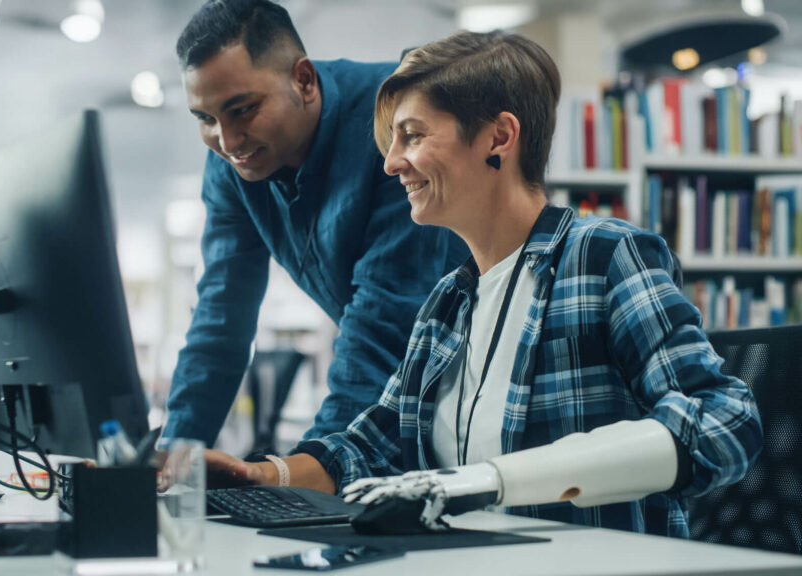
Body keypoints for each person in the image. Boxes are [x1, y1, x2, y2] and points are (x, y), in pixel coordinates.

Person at [204, 30, 763, 538]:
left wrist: (491, 480)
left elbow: (724, 421)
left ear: (499, 137)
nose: (391, 163)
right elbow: (373, 445)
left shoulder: (604, 257)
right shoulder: (448, 303)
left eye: (412, 135)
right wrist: (261, 476)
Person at [163, 0, 468, 448]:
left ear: (303, 80)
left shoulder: (396, 125)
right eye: (206, 119)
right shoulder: (232, 165)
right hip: (405, 386)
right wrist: (177, 453)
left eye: (242, 110)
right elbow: (220, 314)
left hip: (482, 381)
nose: (227, 142)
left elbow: (384, 319)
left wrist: (309, 467)